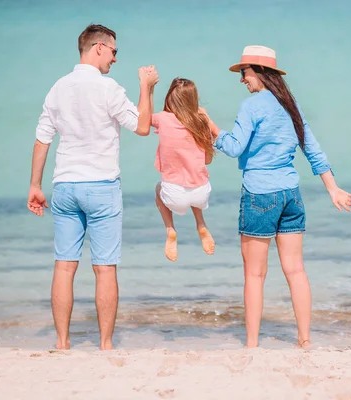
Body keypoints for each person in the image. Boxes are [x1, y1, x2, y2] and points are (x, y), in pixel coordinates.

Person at [207, 45, 351, 348]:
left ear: (260, 72)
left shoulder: (252, 106)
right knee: (296, 269)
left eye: (244, 73)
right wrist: (333, 188)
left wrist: (209, 125)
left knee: (255, 275)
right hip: (291, 194)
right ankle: (304, 339)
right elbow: (312, 149)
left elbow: (233, 147)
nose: (242, 79)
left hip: (260, 194)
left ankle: (251, 344)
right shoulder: (290, 104)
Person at [26, 24, 159, 350]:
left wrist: (34, 185)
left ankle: (61, 342)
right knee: (104, 269)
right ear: (98, 47)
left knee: (64, 265)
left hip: (65, 186)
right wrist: (146, 88)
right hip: (101, 186)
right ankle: (106, 344)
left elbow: (43, 138)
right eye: (114, 51)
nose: (115, 58)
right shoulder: (108, 88)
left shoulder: (58, 88)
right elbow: (142, 127)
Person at [151, 78, 216, 262]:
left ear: (171, 97)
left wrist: (148, 89)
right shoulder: (202, 118)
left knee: (158, 188)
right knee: (194, 180)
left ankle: (170, 229)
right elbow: (208, 160)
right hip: (201, 193)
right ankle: (201, 224)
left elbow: (143, 117)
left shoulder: (162, 118)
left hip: (174, 194)